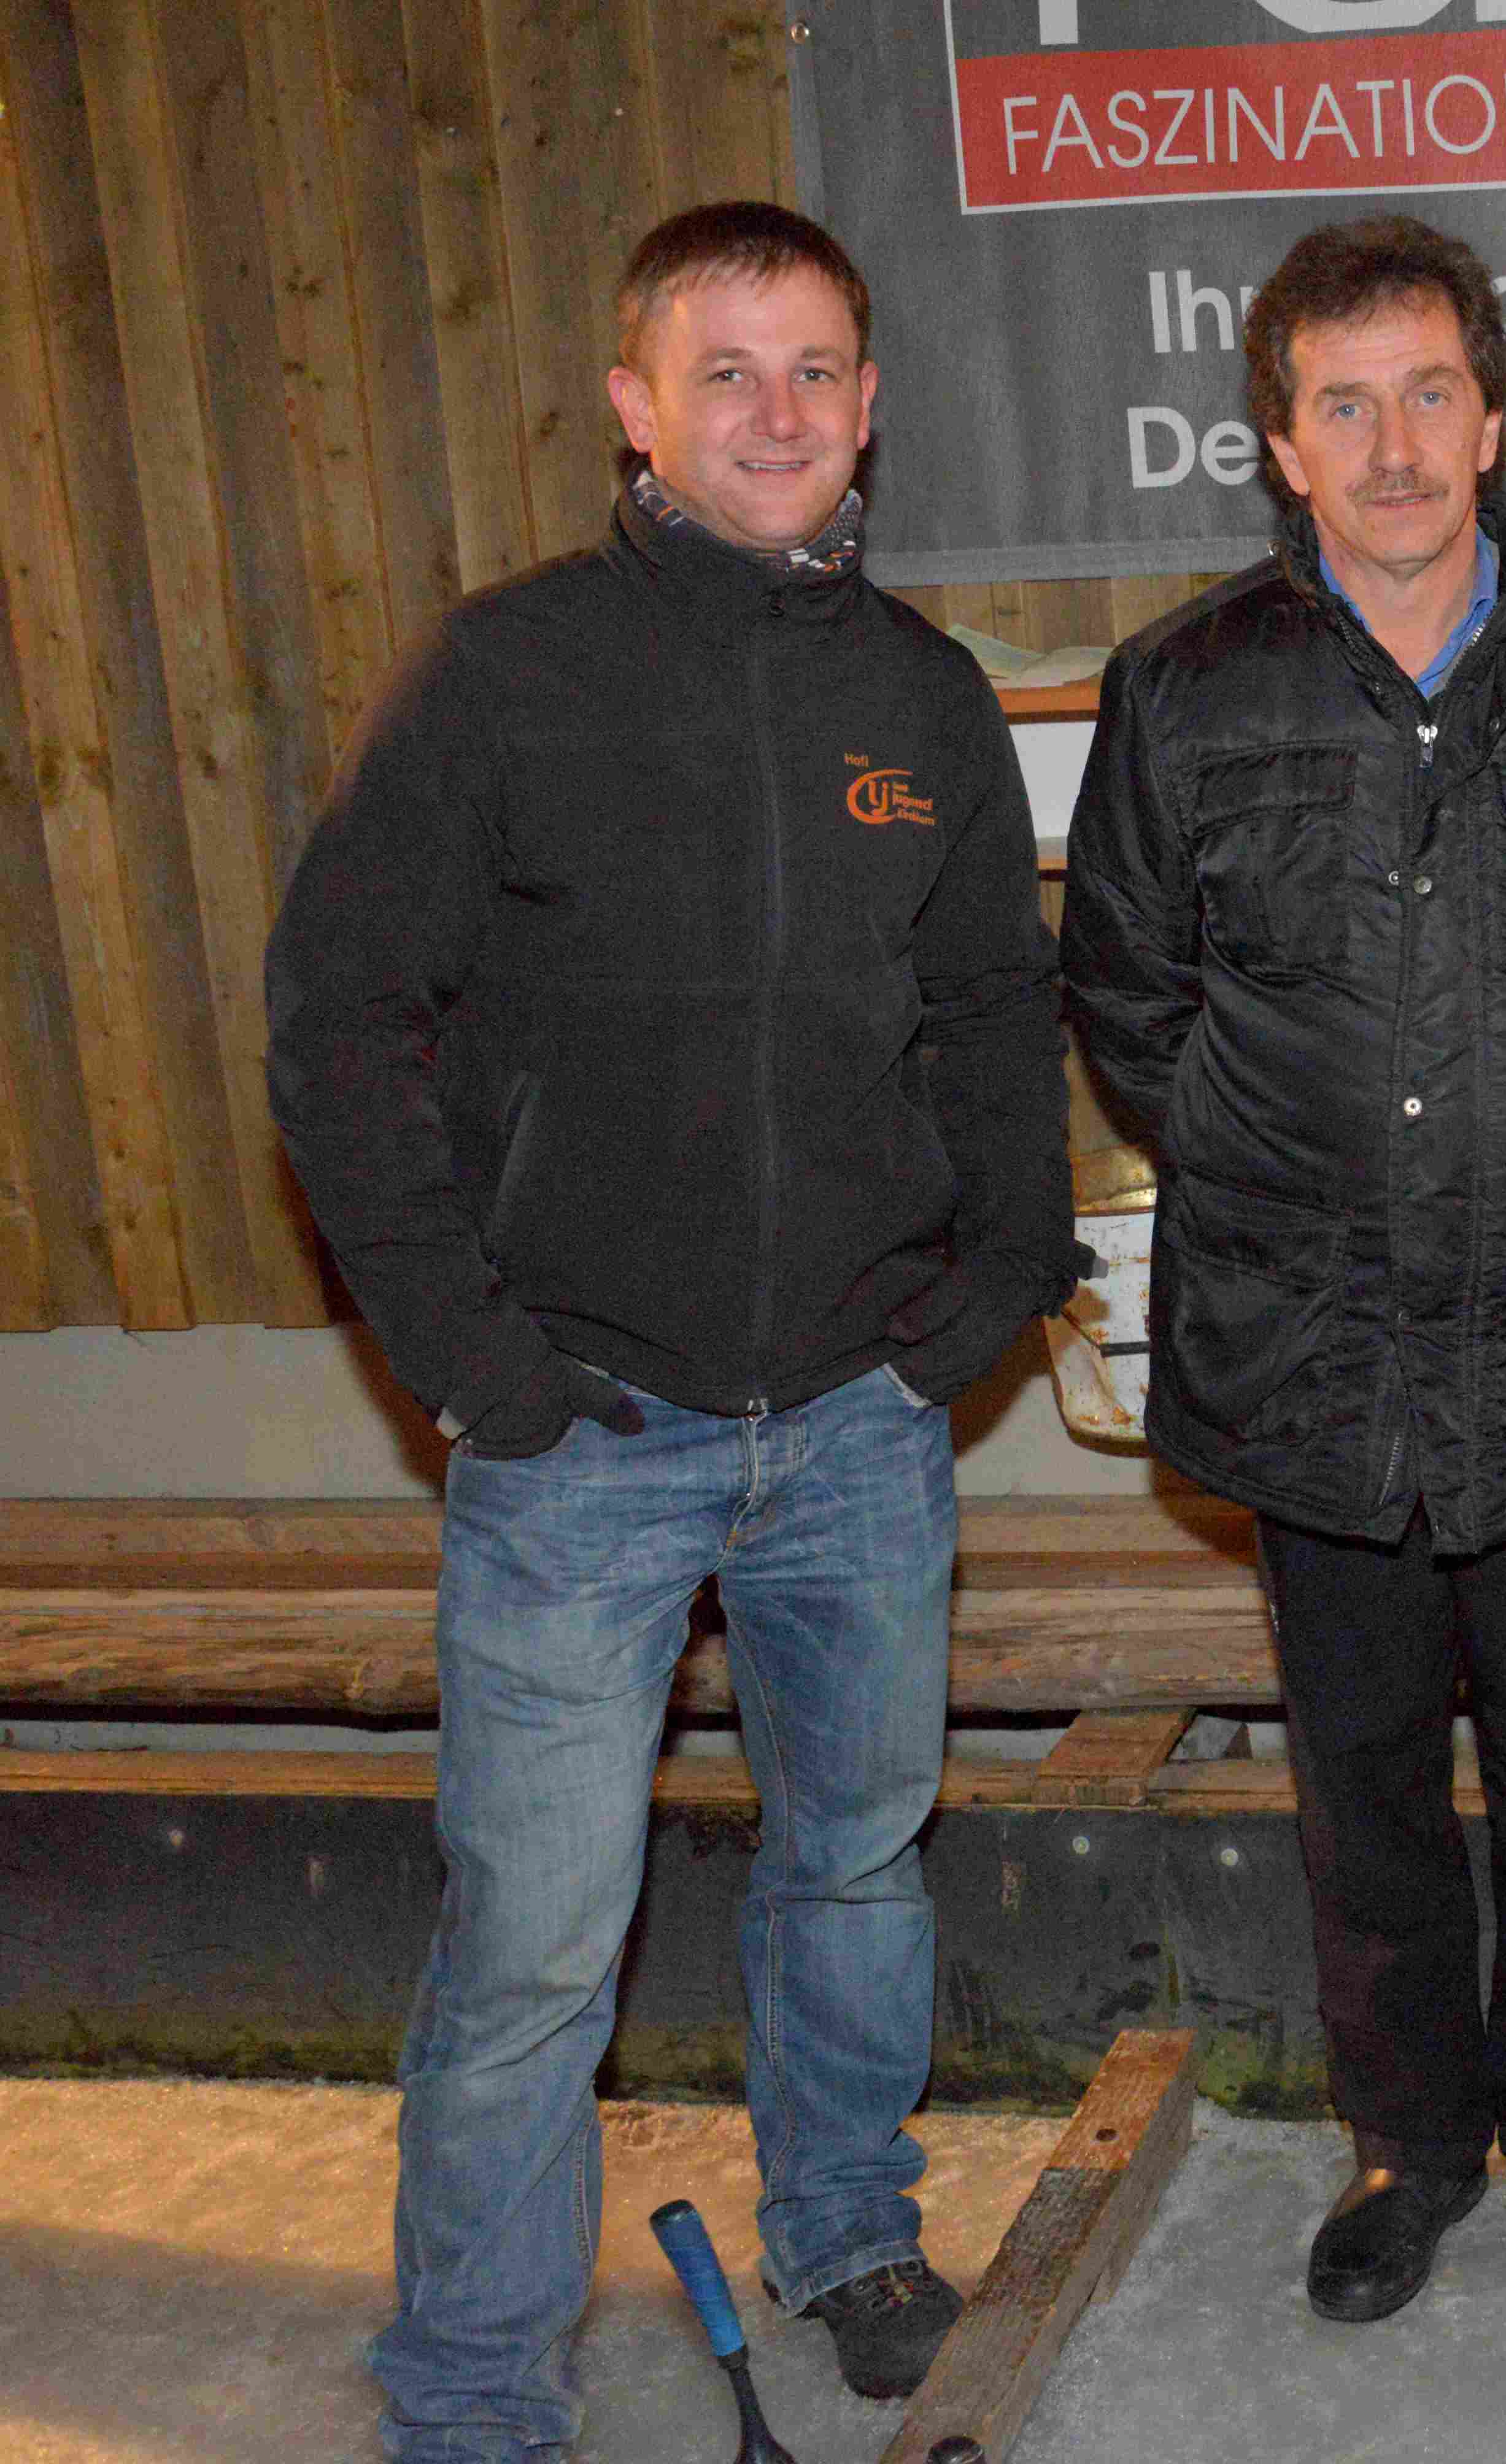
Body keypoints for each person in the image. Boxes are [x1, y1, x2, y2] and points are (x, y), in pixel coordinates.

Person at [265, 203, 1079, 2457]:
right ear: (635, 405)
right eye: (726, 370)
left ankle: (849, 2233)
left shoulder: (919, 696)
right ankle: (474, 2389)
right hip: (583, 1432)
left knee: (856, 1864)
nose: (776, 412)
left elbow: (998, 1014)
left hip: (859, 1427)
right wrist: (474, 1354)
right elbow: (340, 1016)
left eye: (816, 369)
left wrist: (987, 1294)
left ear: (871, 404)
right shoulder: (510, 672)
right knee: (536, 1951)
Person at [1058, 214, 1506, 2325]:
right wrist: (1302, 1183)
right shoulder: (1183, 695)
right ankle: (1412, 2145)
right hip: (1313, 1352)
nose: (1392, 447)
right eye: (1342, 406)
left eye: (1429, 394)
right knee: (1363, 1785)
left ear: (1495, 418)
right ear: (1281, 445)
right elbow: (1130, 1003)